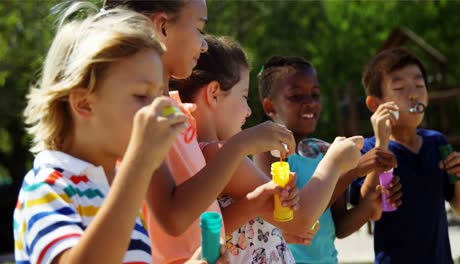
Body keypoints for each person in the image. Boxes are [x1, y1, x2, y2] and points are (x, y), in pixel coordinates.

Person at [103, 1, 296, 263]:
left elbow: (195, 215)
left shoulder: (174, 111)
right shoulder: (144, 115)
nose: (204, 45)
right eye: (199, 28)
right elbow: (174, 217)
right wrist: (239, 145)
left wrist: (254, 203)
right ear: (162, 28)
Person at [13, 3, 187, 263]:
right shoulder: (47, 186)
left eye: (158, 94)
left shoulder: (114, 189)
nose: (158, 110)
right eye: (141, 96)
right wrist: (138, 166)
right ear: (83, 103)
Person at [171, 35, 366, 263]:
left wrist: (269, 225)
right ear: (214, 93)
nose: (248, 111)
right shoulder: (221, 154)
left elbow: (220, 223)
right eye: (243, 96)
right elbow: (301, 218)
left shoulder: (189, 152)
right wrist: (334, 162)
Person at [254, 55, 402, 263]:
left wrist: (369, 208)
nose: (310, 103)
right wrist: (353, 171)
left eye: (315, 95)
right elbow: (292, 221)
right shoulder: (268, 151)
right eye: (296, 97)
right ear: (270, 107)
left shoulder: (324, 153)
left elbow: (340, 226)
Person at [350, 47, 460, 264]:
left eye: (420, 85)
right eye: (399, 88)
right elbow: (367, 209)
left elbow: (458, 207)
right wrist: (382, 143)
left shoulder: (437, 143)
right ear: (375, 104)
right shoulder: (367, 150)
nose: (414, 94)